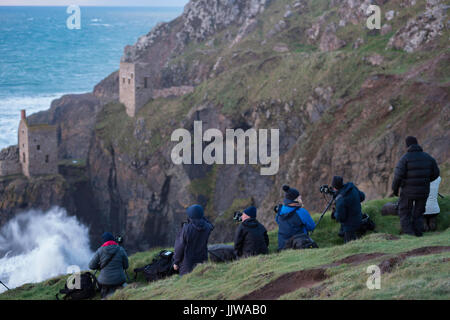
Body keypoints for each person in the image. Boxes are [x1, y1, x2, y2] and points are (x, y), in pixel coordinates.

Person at [392, 136, 440, 236]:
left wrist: (395, 190)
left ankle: (410, 234)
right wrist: (425, 181)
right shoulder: (428, 158)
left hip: (408, 192)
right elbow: (436, 174)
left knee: (404, 212)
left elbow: (397, 176)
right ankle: (418, 233)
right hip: (423, 191)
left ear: (407, 145)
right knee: (418, 214)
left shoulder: (405, 159)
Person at [173, 204, 214, 276]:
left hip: (187, 263)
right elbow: (210, 225)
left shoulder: (186, 228)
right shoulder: (207, 227)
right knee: (201, 279)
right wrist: (201, 217)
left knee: (186, 283)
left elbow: (180, 247)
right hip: (202, 260)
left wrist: (176, 262)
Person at [89, 232, 129, 299]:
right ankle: (121, 291)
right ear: (113, 239)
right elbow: (126, 266)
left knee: (103, 286)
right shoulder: (120, 249)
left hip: (104, 281)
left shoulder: (100, 250)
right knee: (120, 284)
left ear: (104, 241)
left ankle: (105, 294)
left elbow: (91, 266)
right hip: (119, 279)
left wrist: (100, 267)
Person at [276, 185, 316, 250]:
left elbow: (278, 222)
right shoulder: (302, 212)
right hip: (299, 245)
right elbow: (312, 227)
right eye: (299, 198)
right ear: (295, 200)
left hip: (283, 247)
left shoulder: (279, 212)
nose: (301, 199)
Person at [331, 176, 365, 243]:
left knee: (350, 245)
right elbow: (362, 197)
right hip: (359, 219)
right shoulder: (352, 187)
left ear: (335, 188)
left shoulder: (341, 200)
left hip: (350, 227)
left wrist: (335, 213)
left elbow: (340, 217)